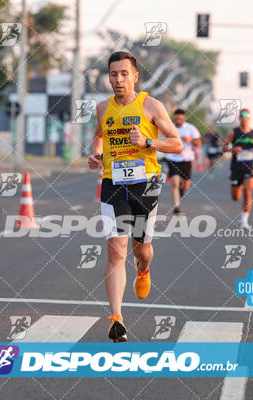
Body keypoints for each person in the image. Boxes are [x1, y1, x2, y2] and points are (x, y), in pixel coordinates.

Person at [87, 51, 182, 342]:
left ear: (135, 76)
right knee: (116, 250)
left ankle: (144, 269)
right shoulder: (103, 108)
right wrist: (96, 154)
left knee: (141, 249)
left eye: (123, 74)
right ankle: (116, 319)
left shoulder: (151, 105)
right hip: (113, 182)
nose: (118, 79)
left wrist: (148, 141)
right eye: (113, 74)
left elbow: (177, 144)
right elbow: (99, 136)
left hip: (146, 184)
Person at [222, 108, 253, 230]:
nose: (244, 118)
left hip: (250, 167)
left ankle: (244, 221)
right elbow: (224, 147)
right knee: (235, 197)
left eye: (246, 116)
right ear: (239, 118)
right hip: (236, 167)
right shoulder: (233, 132)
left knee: (247, 191)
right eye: (242, 115)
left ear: (249, 118)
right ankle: (238, 185)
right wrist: (232, 149)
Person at [164, 109, 201, 214]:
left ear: (184, 118)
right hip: (172, 158)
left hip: (186, 159)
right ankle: (176, 207)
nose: (178, 121)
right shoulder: (169, 128)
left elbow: (198, 143)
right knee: (175, 182)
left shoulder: (191, 128)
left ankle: (181, 190)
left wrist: (191, 140)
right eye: (176, 119)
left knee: (185, 185)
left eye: (180, 119)